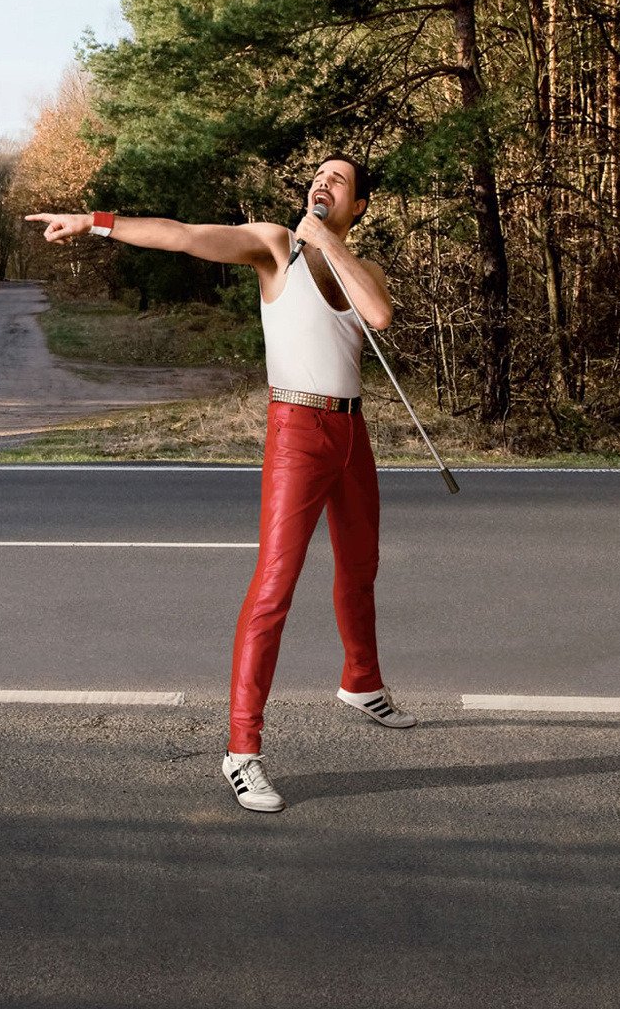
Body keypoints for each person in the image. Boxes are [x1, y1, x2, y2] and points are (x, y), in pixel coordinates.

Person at [25, 155, 415, 814]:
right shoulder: (274, 247)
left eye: (339, 181)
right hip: (297, 428)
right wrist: (94, 223)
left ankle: (361, 683)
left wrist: (330, 244)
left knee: (360, 569)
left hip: (353, 434)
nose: (322, 184)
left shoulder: (361, 267)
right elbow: (181, 233)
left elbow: (377, 314)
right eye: (318, 177)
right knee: (273, 589)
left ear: (360, 207)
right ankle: (242, 751)